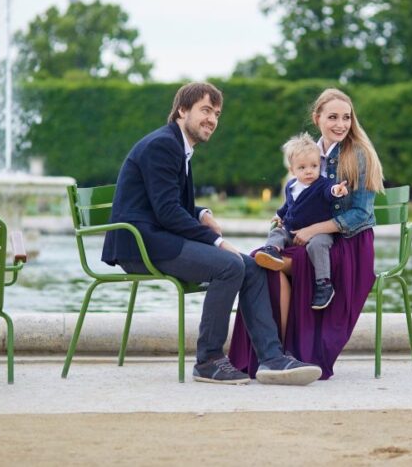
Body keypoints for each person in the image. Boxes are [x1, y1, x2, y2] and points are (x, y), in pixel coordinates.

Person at [101, 82, 322, 386]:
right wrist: (218, 242)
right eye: (206, 110)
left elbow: (168, 203)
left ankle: (272, 359)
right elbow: (167, 212)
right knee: (229, 265)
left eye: (216, 114)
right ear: (182, 110)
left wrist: (201, 212)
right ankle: (208, 360)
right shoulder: (163, 145)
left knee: (252, 266)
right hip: (141, 245)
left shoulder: (178, 146)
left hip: (158, 238)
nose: (212, 119)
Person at [229, 88, 385, 379]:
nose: (341, 124)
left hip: (348, 243)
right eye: (333, 117)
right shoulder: (307, 153)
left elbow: (361, 214)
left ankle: (282, 353)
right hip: (308, 237)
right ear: (317, 118)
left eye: (347, 117)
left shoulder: (359, 154)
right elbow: (297, 196)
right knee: (258, 262)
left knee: (282, 264)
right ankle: (274, 354)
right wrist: (282, 217)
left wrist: (313, 229)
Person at [255, 132, 349, 310]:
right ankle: (272, 251)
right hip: (292, 231)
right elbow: (288, 206)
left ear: (319, 165)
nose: (309, 171)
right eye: (302, 167)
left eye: (314, 166)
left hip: (318, 233)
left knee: (318, 245)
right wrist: (279, 215)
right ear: (292, 170)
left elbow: (329, 192)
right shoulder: (291, 186)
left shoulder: (322, 184)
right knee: (277, 232)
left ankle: (324, 284)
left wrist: (337, 190)